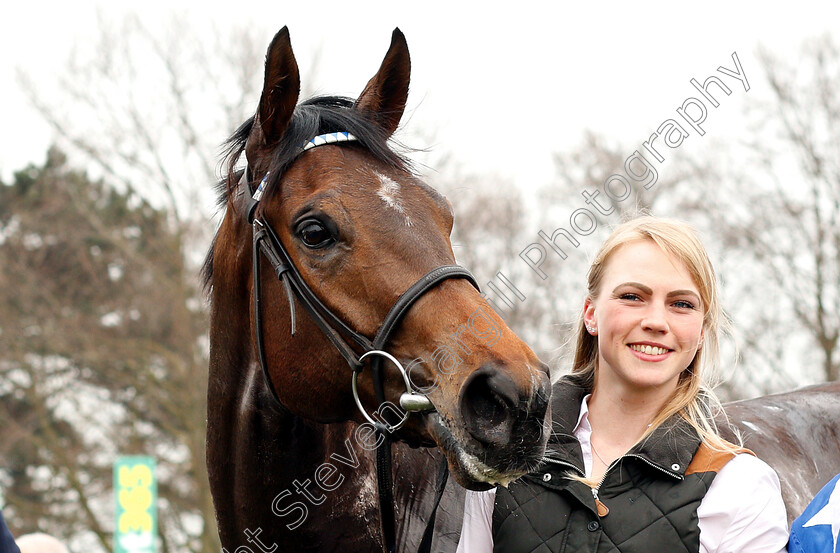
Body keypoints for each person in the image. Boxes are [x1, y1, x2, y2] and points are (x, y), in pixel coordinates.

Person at [456, 216, 789, 553]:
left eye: (681, 304)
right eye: (632, 297)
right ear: (591, 315)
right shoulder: (508, 454)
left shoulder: (742, 487)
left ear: (701, 331)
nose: (656, 322)